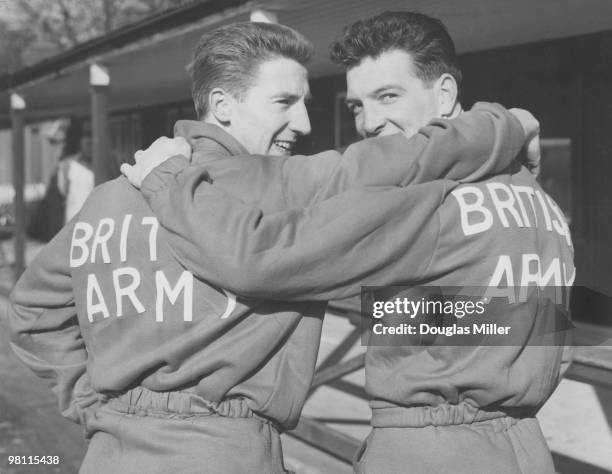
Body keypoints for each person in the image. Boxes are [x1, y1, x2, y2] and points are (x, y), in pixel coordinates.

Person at [5, 20, 531, 473]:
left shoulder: (108, 199)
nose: (303, 124)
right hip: (224, 454)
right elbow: (415, 159)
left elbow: (31, 310)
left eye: (306, 104)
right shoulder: (288, 185)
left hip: (110, 454)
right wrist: (508, 123)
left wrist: (95, 404)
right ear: (222, 105)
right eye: (285, 102)